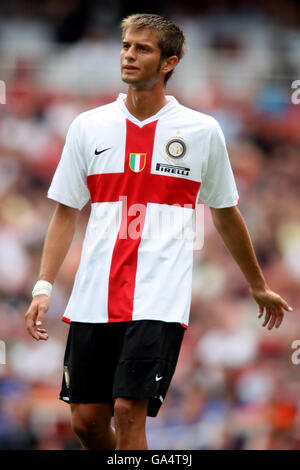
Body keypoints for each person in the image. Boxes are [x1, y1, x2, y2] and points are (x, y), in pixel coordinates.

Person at [25, 13, 293, 450]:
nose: (129, 55)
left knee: (129, 412)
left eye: (143, 48)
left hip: (159, 298)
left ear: (168, 63)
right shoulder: (87, 126)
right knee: (87, 422)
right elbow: (65, 212)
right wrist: (42, 285)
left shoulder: (202, 131)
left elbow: (226, 214)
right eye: (126, 46)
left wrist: (257, 285)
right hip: (94, 294)